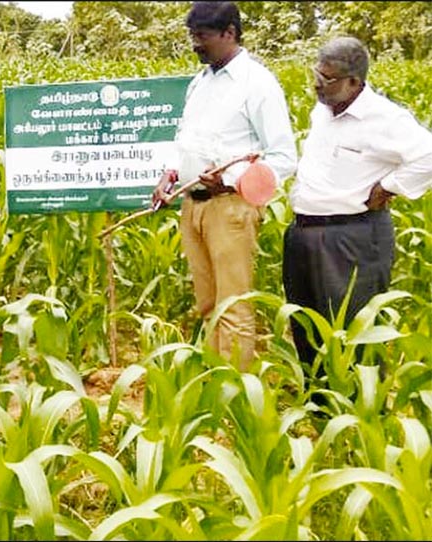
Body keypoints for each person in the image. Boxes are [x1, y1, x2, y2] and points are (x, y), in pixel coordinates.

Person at [151, 1, 297, 371]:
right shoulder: (201, 82)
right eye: (192, 36)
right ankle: (216, 380)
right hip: (193, 206)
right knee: (207, 304)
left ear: (229, 33)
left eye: (201, 36)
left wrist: (228, 180)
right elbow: (186, 140)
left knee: (232, 307)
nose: (195, 44)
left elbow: (282, 157)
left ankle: (234, 395)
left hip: (230, 208)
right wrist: (171, 172)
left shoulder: (257, 84)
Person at [283, 36, 432, 371]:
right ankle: (320, 409)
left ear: (354, 81)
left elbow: (428, 155)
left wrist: (391, 186)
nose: (317, 84)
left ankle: (359, 414)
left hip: (351, 237)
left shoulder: (384, 118)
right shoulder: (322, 111)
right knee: (308, 326)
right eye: (316, 73)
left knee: (352, 330)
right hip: (305, 232)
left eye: (327, 78)